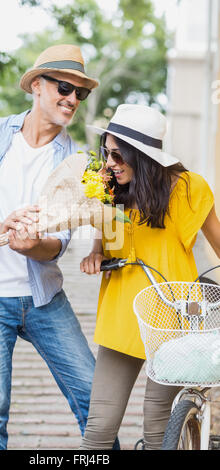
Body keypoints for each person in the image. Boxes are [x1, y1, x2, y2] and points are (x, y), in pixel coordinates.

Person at [0, 44, 102, 450]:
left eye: (80, 93)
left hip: (43, 297)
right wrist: (1, 227)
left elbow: (58, 246)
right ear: (37, 85)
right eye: (63, 88)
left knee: (94, 398)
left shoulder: (78, 162)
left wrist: (31, 245)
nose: (72, 99)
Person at [79, 104, 220, 450]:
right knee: (99, 427)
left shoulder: (189, 188)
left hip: (172, 317)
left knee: (158, 425)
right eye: (106, 152)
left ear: (141, 156)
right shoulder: (110, 190)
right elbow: (109, 244)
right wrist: (96, 251)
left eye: (117, 154)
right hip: (121, 314)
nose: (109, 162)